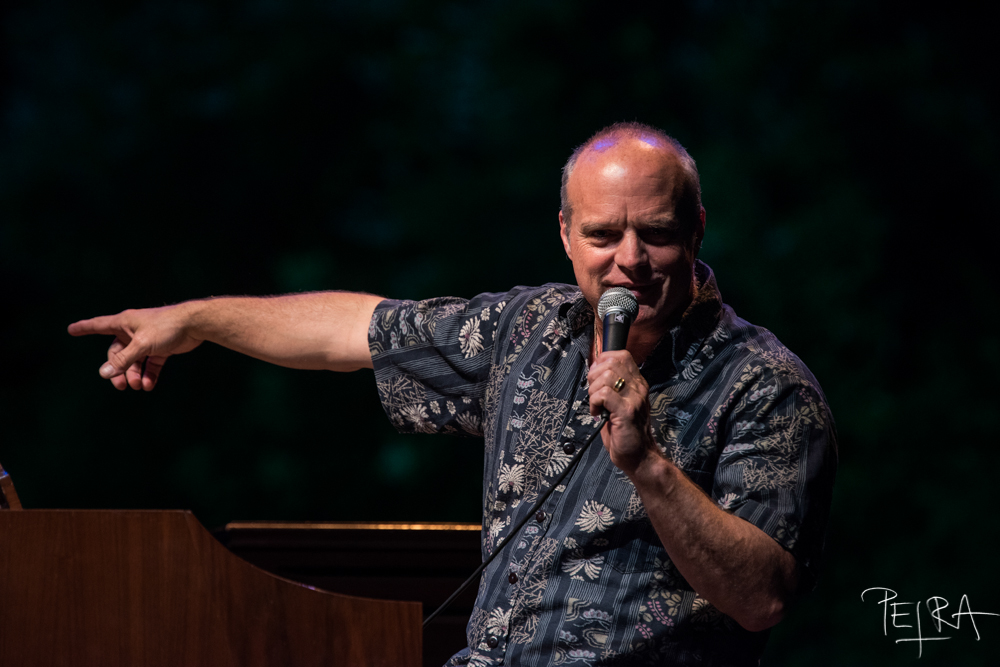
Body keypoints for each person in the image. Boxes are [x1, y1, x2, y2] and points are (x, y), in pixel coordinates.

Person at [70, 122, 836, 665]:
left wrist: (649, 466)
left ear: (697, 230)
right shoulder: (527, 329)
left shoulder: (765, 387)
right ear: (565, 232)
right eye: (603, 235)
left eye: (657, 234)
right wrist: (198, 321)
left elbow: (761, 596)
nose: (628, 261)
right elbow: (353, 332)